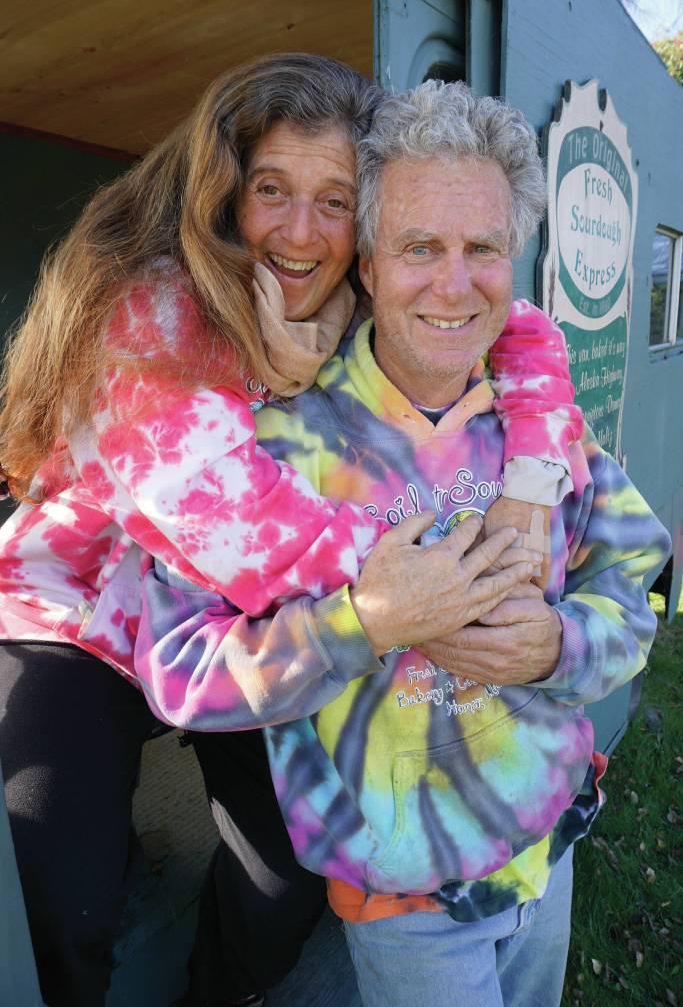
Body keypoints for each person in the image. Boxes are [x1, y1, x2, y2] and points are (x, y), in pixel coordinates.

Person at [0, 53, 577, 1007]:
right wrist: (464, 582)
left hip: (241, 634)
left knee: (283, 879)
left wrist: (528, 487)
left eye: (335, 199)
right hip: (81, 616)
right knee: (60, 900)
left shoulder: (352, 297)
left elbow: (522, 331)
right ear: (223, 194)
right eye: (271, 190)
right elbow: (258, 540)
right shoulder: (151, 311)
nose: (300, 231)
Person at [136, 79, 672, 1007]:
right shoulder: (271, 446)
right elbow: (178, 668)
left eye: (484, 249)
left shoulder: (544, 425)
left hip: (548, 852)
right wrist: (364, 621)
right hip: (403, 901)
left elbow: (638, 577)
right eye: (420, 247)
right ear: (370, 264)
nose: (454, 284)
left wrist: (558, 644)